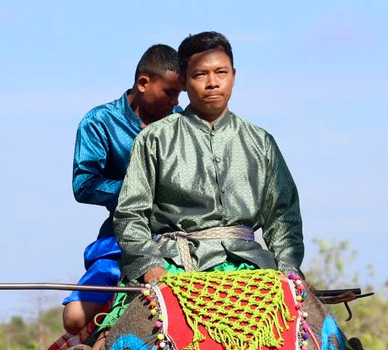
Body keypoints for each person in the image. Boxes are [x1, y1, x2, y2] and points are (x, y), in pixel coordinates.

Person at [113, 31, 304, 285]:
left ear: (233, 76)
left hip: (250, 267)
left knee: (313, 324)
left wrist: (289, 270)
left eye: (221, 72)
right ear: (183, 81)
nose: (212, 83)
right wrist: (150, 264)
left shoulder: (261, 142)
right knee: (137, 324)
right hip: (173, 265)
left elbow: (283, 216)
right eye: (200, 74)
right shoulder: (154, 139)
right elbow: (130, 214)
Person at [61, 44, 183, 333]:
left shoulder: (183, 123)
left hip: (182, 240)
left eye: (180, 93)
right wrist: (140, 193)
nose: (175, 101)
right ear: (143, 83)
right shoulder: (99, 122)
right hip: (121, 240)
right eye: (169, 92)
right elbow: (85, 185)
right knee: (74, 319)